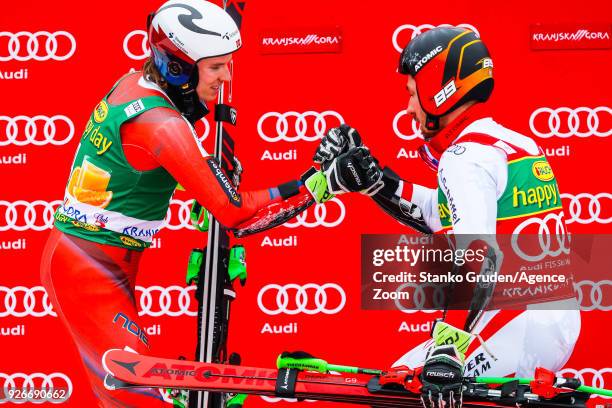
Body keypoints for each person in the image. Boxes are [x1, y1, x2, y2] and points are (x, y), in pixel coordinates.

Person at [40, 1, 326, 406]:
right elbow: (235, 215)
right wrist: (320, 184)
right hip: (88, 275)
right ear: (178, 68)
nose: (226, 77)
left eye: (228, 64)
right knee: (138, 399)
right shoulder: (161, 126)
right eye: (215, 67)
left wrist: (205, 167)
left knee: (125, 397)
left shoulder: (138, 83)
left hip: (88, 262)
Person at [313, 27, 580, 408]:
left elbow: (478, 256)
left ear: (439, 88)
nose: (408, 109)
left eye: (411, 93)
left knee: (394, 395)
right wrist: (376, 182)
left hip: (516, 322)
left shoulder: (463, 158)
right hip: (549, 319)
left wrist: (448, 347)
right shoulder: (511, 142)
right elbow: (447, 217)